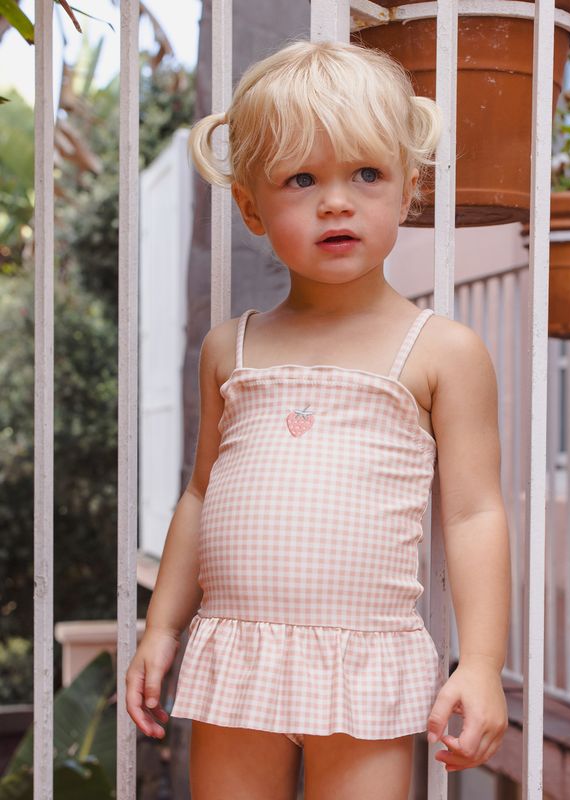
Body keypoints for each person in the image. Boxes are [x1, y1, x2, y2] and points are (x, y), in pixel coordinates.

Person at [126, 38, 511, 800]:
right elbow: (201, 496)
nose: (336, 201)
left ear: (406, 192)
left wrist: (482, 664)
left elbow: (473, 514)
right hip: (239, 653)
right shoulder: (228, 350)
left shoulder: (440, 351)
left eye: (365, 174)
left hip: (365, 662)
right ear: (251, 208)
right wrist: (161, 627)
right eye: (300, 179)